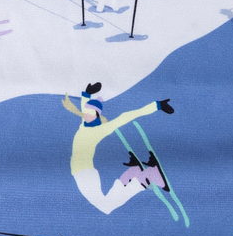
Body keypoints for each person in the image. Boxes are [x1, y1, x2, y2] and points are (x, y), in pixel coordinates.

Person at [62, 82, 175, 214]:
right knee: (105, 204)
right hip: (81, 173)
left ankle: (148, 176)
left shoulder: (98, 130)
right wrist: (87, 94)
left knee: (106, 207)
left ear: (97, 115)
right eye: (85, 113)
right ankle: (132, 172)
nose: (86, 115)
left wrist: (157, 105)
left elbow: (125, 117)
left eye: (90, 113)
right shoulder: (85, 124)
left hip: (84, 173)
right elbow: (85, 108)